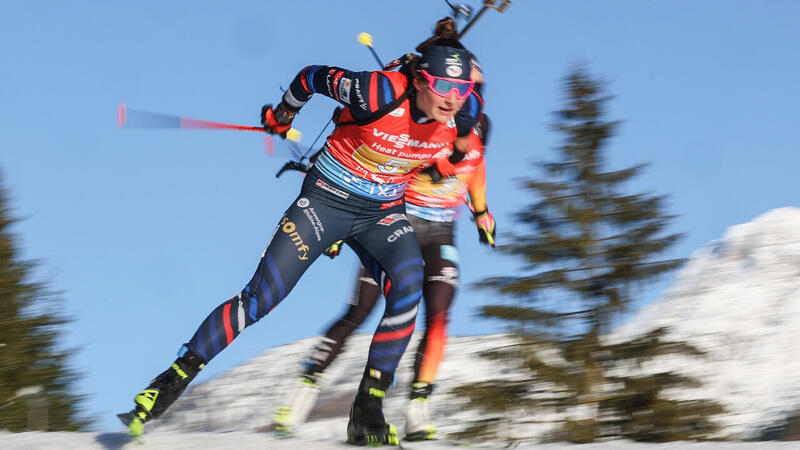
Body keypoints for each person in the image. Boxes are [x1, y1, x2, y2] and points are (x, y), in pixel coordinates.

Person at [118, 32, 482, 446]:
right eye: (443, 86)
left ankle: (368, 410)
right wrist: (283, 115)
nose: (453, 98)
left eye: (462, 88)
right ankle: (170, 380)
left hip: (382, 214)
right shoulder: (375, 91)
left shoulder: (465, 112)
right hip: (325, 203)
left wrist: (452, 161)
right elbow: (311, 76)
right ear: (419, 80)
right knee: (261, 299)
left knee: (408, 290)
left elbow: (459, 148)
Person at [271, 113, 495, 441]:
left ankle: (417, 407)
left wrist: (484, 222)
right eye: (459, 143)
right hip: (394, 228)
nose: (464, 150)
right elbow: (371, 166)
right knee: (359, 312)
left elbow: (479, 198)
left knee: (438, 317)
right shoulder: (426, 143)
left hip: (439, 238)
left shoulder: (475, 159)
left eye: (472, 147)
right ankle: (302, 391)